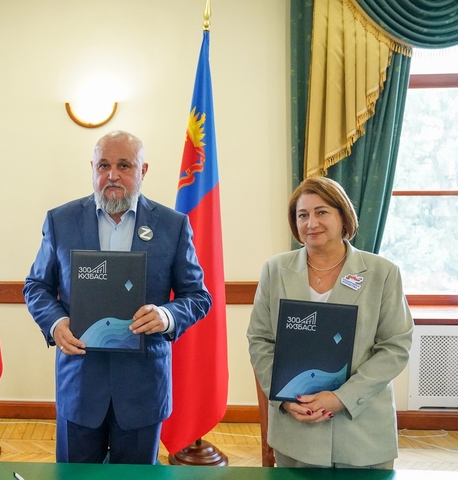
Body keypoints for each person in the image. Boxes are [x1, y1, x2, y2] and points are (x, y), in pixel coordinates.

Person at [23, 130, 212, 464]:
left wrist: (166, 316)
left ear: (143, 170)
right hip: (79, 385)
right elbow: (36, 286)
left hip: (142, 388)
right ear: (93, 168)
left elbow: (197, 296)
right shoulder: (61, 221)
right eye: (104, 165)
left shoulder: (172, 226)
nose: (112, 175)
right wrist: (56, 323)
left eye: (124, 165)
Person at [247, 176, 413, 469]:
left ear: (343, 216)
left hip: (361, 431)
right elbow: (260, 340)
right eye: (302, 215)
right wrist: (285, 398)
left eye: (321, 212)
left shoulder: (383, 272)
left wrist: (342, 398)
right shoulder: (275, 270)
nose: (311, 223)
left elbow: (395, 346)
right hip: (296, 427)